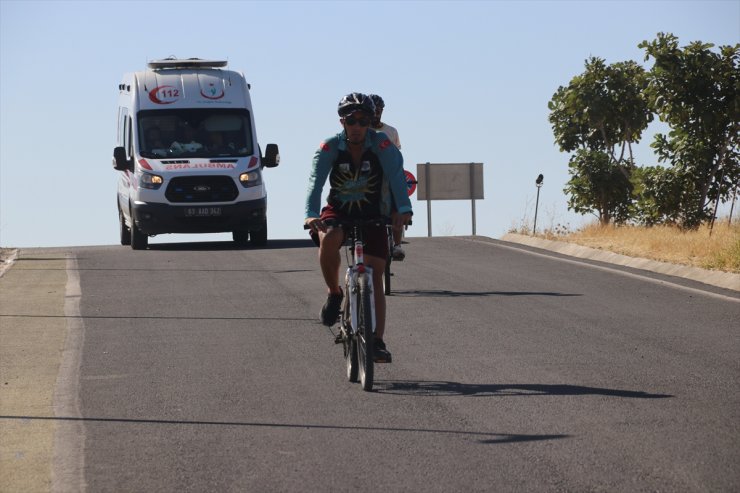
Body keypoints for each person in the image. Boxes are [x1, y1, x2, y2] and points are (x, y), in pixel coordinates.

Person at [304, 92, 412, 363]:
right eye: (352, 120)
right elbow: (315, 181)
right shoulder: (330, 148)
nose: (357, 126)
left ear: (370, 122)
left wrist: (403, 210)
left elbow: (398, 178)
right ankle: (333, 293)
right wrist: (310, 214)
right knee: (329, 236)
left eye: (364, 121)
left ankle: (377, 340)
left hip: (375, 211)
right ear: (342, 122)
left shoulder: (383, 145)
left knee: (375, 274)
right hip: (340, 209)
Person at [369, 94, 406, 261]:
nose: (376, 113)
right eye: (373, 110)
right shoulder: (361, 130)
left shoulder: (391, 131)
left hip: (389, 175)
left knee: (398, 207)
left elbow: (397, 155)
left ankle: (397, 245)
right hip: (368, 177)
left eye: (379, 110)